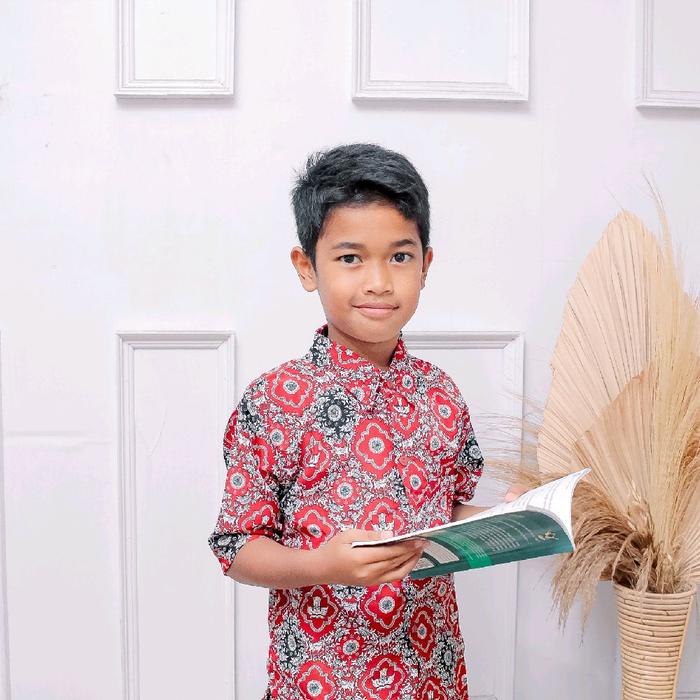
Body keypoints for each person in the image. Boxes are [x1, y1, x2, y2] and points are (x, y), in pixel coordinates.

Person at [208, 143, 524, 699]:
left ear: (426, 265)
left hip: (431, 674)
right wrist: (323, 565)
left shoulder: (441, 396)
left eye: (399, 257)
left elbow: (444, 512)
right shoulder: (277, 400)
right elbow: (237, 547)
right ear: (307, 267)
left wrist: (507, 518)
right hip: (321, 680)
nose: (379, 281)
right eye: (351, 258)